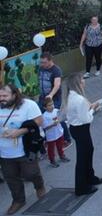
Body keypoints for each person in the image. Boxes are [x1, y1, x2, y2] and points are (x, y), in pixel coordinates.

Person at [0, 84, 46, 215]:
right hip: (4, 152)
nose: (1, 99)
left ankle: (39, 186)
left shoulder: (28, 105)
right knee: (11, 177)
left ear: (14, 95)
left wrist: (20, 131)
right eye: (0, 96)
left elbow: (39, 120)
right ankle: (18, 200)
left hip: (24, 149)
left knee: (31, 173)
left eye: (5, 96)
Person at [62, 74, 102, 196]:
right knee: (83, 157)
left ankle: (90, 177)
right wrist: (93, 108)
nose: (84, 81)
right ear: (78, 83)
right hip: (81, 129)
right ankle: (81, 187)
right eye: (82, 79)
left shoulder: (71, 96)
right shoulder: (79, 99)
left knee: (88, 151)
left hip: (76, 129)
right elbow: (86, 119)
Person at [38, 53, 72, 145]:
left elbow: (57, 85)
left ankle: (67, 139)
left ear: (50, 61)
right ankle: (47, 139)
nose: (42, 64)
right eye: (41, 62)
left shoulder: (56, 70)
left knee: (57, 118)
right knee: (42, 118)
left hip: (54, 99)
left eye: (44, 62)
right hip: (42, 98)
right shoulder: (41, 68)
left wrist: (51, 95)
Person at [41, 97, 69, 167]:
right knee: (51, 149)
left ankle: (62, 155)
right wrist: (52, 125)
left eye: (52, 104)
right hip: (51, 135)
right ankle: (52, 160)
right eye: (49, 105)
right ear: (45, 107)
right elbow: (45, 127)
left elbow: (62, 117)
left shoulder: (56, 110)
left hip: (59, 132)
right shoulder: (44, 116)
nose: (52, 106)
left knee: (60, 146)